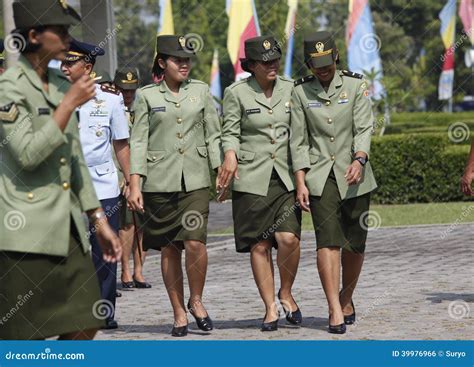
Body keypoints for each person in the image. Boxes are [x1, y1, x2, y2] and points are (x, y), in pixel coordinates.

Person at [0, 0, 121, 340]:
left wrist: (98, 219)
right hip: (26, 229)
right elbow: (27, 154)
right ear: (35, 35)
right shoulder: (10, 88)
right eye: (62, 30)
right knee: (25, 335)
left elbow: (75, 159)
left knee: (87, 317)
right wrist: (68, 106)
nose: (69, 38)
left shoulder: (61, 83)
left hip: (68, 228)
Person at [128, 35, 222, 337]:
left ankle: (196, 300)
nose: (184, 64)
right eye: (177, 59)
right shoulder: (146, 96)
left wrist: (220, 168)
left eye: (187, 59)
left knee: (195, 242)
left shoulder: (201, 91)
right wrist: (135, 184)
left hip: (194, 179)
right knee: (169, 249)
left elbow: (213, 133)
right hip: (159, 181)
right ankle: (179, 312)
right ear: (161, 63)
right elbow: (138, 141)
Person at [290, 31, 378, 334]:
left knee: (355, 244)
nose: (323, 69)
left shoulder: (355, 84)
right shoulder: (300, 92)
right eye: (317, 64)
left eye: (327, 62)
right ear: (309, 65)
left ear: (336, 56)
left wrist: (360, 158)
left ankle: (347, 298)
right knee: (327, 242)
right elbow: (298, 141)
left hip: (354, 174)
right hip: (319, 177)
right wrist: (300, 180)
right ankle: (333, 308)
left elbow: (364, 126)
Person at [219, 36, 302, 332]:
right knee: (260, 245)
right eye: (265, 62)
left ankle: (286, 292)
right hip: (251, 177)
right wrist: (229, 154)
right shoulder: (236, 93)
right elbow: (228, 131)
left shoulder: (292, 88)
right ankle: (270, 307)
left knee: (289, 239)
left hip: (286, 176)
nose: (272, 66)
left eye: (275, 60)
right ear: (251, 65)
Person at [61, 39, 131, 329]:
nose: (63, 67)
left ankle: (103, 311)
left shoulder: (111, 99)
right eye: (62, 62)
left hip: (101, 183)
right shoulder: (51, 95)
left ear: (87, 67)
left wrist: (130, 179)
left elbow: (121, 142)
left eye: (70, 63)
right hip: (63, 185)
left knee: (104, 251)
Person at [114, 67, 151, 290]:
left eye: (131, 90)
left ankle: (139, 270)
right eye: (123, 90)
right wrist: (125, 179)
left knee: (143, 225)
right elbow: (114, 147)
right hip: (122, 176)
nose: (128, 95)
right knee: (127, 224)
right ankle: (126, 271)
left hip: (145, 172)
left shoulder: (143, 106)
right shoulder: (110, 107)